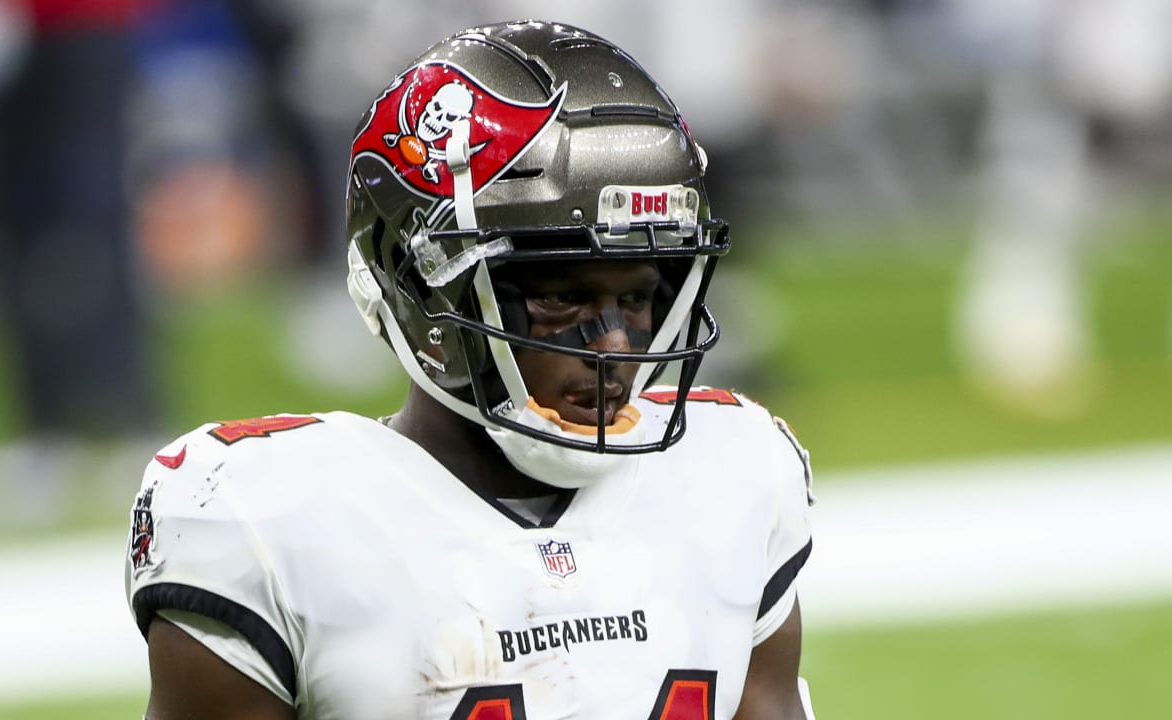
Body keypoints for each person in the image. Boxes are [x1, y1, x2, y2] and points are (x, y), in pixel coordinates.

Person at [125, 19, 816, 720]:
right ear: (420, 286)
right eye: (560, 297)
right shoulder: (263, 520)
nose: (613, 348)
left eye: (636, 296)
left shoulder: (731, 475)